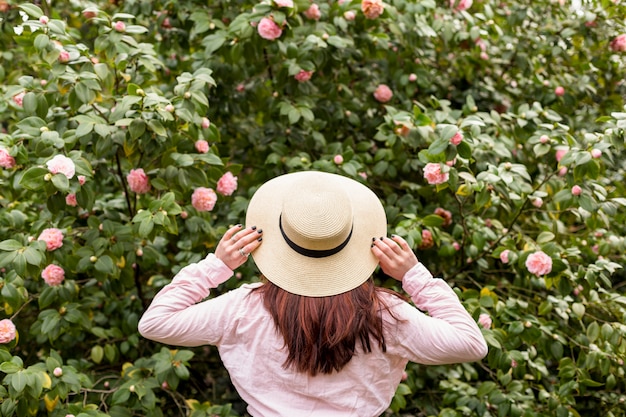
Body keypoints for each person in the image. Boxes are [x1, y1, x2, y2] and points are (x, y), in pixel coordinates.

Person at [138, 171, 488, 417]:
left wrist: (216, 266)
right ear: (357, 242)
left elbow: (156, 323)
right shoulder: (385, 313)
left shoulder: (242, 308)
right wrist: (414, 276)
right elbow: (471, 345)